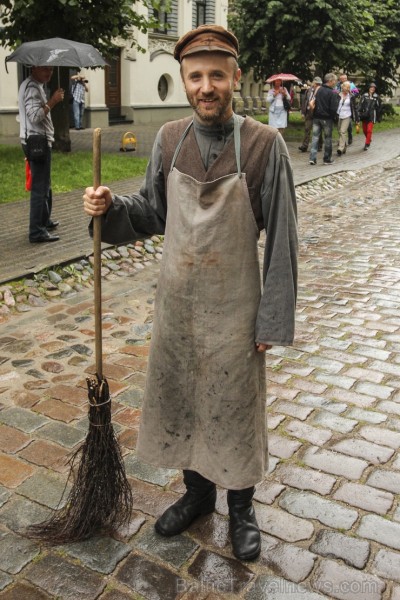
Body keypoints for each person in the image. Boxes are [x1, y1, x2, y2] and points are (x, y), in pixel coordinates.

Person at [83, 24, 298, 561]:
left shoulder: (264, 146)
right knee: (184, 397)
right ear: (184, 79)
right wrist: (110, 209)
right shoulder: (169, 138)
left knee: (234, 405)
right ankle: (198, 495)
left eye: (217, 76)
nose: (207, 86)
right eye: (196, 76)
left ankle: (242, 506)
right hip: (178, 305)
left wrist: (271, 319)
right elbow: (152, 212)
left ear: (235, 77)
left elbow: (284, 241)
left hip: (235, 310)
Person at [18, 65, 64, 243]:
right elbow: (35, 116)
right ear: (34, 68)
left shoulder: (34, 85)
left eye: (51, 70)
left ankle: (44, 220)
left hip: (37, 141)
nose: (49, 73)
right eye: (45, 69)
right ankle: (37, 231)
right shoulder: (31, 88)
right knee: (40, 188)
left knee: (45, 184)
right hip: (37, 142)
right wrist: (52, 101)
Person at [309, 72, 339, 166]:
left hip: (316, 117)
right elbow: (334, 108)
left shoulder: (319, 89)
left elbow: (314, 101)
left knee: (315, 137)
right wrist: (333, 117)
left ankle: (312, 158)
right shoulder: (333, 92)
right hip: (327, 118)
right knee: (327, 139)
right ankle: (327, 159)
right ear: (330, 81)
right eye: (334, 80)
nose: (335, 82)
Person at [298, 76, 322, 152]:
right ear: (313, 83)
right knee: (307, 129)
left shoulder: (321, 91)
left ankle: (319, 145)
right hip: (308, 112)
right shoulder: (308, 91)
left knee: (318, 130)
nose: (316, 85)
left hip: (317, 113)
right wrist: (303, 112)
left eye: (318, 84)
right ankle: (304, 146)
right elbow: (304, 101)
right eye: (316, 83)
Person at [335, 73, 359, 146]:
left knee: (349, 125)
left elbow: (357, 92)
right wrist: (338, 93)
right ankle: (341, 141)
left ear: (346, 78)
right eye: (342, 79)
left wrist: (351, 94)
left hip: (349, 107)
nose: (343, 80)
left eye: (345, 78)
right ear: (340, 79)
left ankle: (350, 137)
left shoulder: (351, 84)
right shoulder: (338, 85)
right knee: (340, 128)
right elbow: (334, 91)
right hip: (340, 107)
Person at [358, 82, 381, 151]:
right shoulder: (364, 96)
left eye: (374, 88)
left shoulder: (376, 97)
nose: (372, 89)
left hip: (372, 115)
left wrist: (378, 117)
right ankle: (369, 139)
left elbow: (378, 107)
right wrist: (358, 113)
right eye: (371, 87)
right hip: (364, 115)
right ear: (369, 88)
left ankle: (367, 144)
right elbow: (360, 105)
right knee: (365, 130)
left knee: (369, 130)